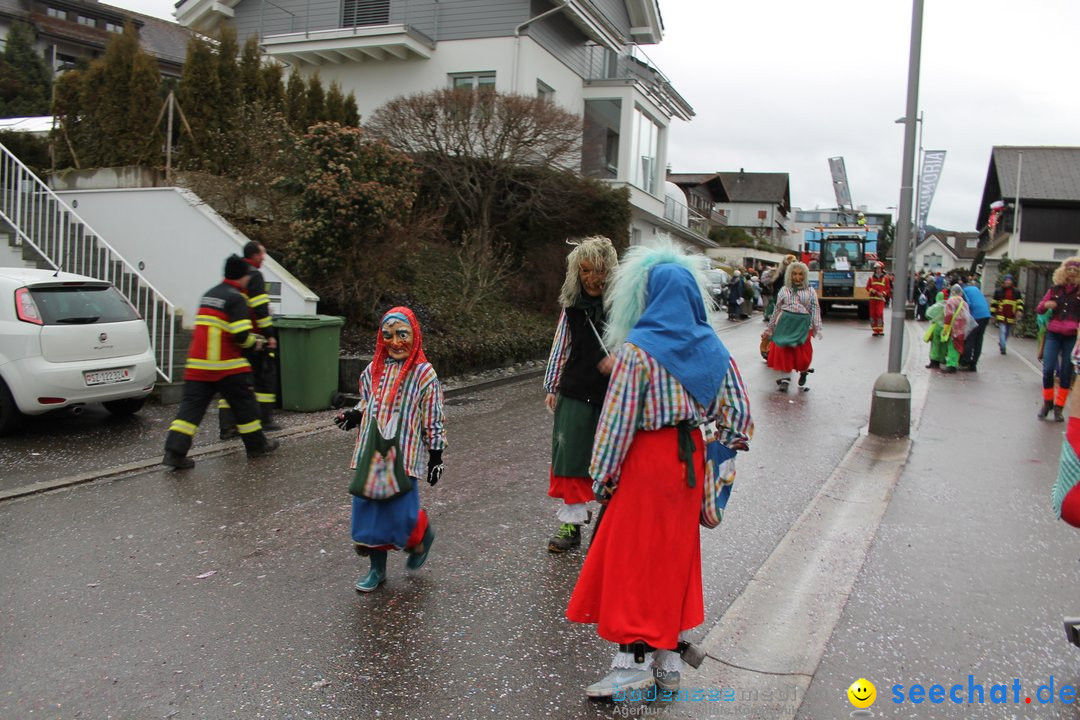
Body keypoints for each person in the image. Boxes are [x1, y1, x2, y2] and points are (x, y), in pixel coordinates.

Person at [565, 240, 752, 699]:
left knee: (632, 562)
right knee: (672, 560)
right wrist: (711, 456)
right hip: (687, 463)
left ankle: (629, 664)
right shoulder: (715, 349)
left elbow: (616, 422)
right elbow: (740, 421)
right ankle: (667, 660)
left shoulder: (639, 350)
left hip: (645, 464)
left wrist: (602, 476)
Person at [336, 307, 446, 592]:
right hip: (371, 455)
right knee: (370, 514)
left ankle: (421, 534)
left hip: (404, 457)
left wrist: (436, 455)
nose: (395, 342)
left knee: (400, 516)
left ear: (415, 336)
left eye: (402, 335)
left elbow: (433, 417)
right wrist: (355, 414)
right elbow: (368, 403)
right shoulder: (373, 370)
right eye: (388, 336)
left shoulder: (425, 376)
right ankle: (377, 570)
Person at [162, 255, 280, 469]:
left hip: (197, 366)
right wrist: (257, 343)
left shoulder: (210, 295)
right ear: (243, 276)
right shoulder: (236, 298)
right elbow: (241, 336)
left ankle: (174, 453)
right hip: (227, 366)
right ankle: (256, 446)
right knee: (246, 407)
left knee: (189, 412)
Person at [542, 236, 618, 553]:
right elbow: (562, 345)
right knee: (571, 457)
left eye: (598, 270)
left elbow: (641, 340)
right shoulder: (572, 306)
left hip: (614, 394)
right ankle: (571, 525)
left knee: (612, 460)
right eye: (585, 270)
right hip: (574, 388)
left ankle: (612, 528)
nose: (592, 278)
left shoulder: (624, 304)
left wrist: (622, 357)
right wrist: (552, 384)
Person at [219, 241, 280, 438]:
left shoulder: (235, 275)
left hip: (235, 335)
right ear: (254, 255)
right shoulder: (253, 274)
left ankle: (228, 426)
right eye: (262, 254)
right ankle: (263, 420)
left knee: (233, 380)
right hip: (253, 336)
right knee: (263, 378)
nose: (264, 258)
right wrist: (269, 334)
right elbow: (260, 308)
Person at [763, 261, 822, 392]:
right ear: (789, 275)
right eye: (794, 274)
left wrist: (817, 327)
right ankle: (785, 379)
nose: (797, 277)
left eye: (800, 274)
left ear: (805, 275)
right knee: (783, 350)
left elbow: (815, 309)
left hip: (803, 325)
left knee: (802, 354)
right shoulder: (784, 290)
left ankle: (804, 370)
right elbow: (777, 309)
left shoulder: (811, 291)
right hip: (785, 323)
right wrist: (770, 328)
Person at [1035, 258, 1080, 421]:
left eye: (1076, 271)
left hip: (1072, 336)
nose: (1072, 273)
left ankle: (1059, 408)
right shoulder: (1055, 289)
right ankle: (1047, 402)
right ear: (1064, 271)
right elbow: (1039, 309)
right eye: (1070, 270)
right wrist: (1047, 305)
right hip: (1053, 334)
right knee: (1048, 370)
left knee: (1066, 373)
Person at [940, 283, 972, 374]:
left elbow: (948, 315)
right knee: (958, 345)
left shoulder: (950, 301)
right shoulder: (964, 303)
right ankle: (954, 363)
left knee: (952, 346)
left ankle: (951, 365)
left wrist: (945, 327)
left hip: (953, 327)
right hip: (962, 327)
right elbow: (967, 316)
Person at [960, 279, 992, 370]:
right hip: (986, 315)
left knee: (970, 338)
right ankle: (973, 364)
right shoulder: (976, 289)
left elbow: (968, 304)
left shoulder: (964, 291)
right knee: (979, 339)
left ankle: (965, 362)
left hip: (977, 316)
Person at [991, 274, 1024, 354]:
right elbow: (994, 303)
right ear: (1004, 281)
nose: (1008, 282)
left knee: (1007, 332)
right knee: (1002, 330)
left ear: (1012, 281)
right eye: (1006, 280)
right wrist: (992, 314)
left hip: (1011, 315)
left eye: (1009, 280)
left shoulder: (1016, 291)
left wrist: (1019, 310)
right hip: (1001, 314)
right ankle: (1003, 347)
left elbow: (1020, 302)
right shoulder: (998, 291)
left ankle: (1002, 342)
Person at [923, 291, 948, 369]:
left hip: (937, 327)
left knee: (935, 344)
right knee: (943, 344)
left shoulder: (936, 306)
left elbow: (928, 314)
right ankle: (942, 358)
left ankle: (934, 361)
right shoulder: (948, 305)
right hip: (946, 328)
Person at [866, 261, 890, 337]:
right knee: (873, 314)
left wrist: (883, 293)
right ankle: (875, 330)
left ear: (882, 269)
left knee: (879, 314)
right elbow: (867, 287)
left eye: (879, 268)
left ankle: (880, 329)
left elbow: (888, 289)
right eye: (877, 269)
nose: (878, 270)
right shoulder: (871, 278)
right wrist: (872, 290)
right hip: (872, 299)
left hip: (880, 299)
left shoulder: (885, 279)